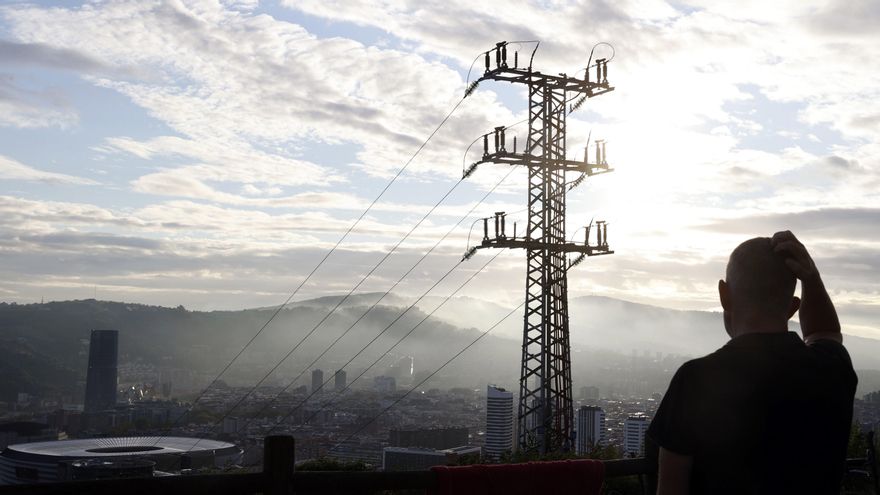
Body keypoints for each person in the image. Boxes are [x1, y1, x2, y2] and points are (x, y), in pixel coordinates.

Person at [648, 231, 857, 495]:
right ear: (793, 308)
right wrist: (811, 278)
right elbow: (825, 332)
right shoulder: (832, 369)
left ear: (724, 294)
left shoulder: (696, 380)